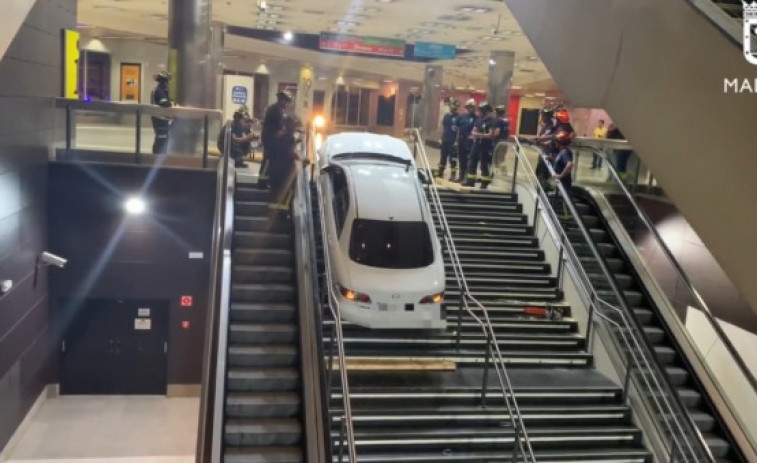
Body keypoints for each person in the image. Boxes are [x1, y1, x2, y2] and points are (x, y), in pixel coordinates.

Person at [268, 114, 304, 216]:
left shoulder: (278, 135)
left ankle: (273, 214)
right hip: (284, 171)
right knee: (285, 193)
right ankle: (282, 215)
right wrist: (302, 159)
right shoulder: (290, 138)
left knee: (275, 193)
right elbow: (291, 152)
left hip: (274, 168)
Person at [259, 90, 293, 189]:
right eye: (286, 102)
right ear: (281, 100)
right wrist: (286, 129)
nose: (287, 104)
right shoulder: (275, 110)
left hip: (272, 138)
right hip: (270, 139)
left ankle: (267, 181)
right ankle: (262, 182)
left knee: (270, 160)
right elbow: (281, 126)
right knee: (268, 160)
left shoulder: (277, 109)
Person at [465, 102, 499, 189]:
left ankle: (485, 182)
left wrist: (479, 135)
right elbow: (473, 131)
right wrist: (480, 134)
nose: (478, 112)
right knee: (472, 161)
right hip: (476, 144)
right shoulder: (478, 120)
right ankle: (470, 181)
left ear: (485, 111)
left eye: (480, 111)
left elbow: (491, 134)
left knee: (483, 164)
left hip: (485, 145)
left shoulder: (492, 121)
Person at [454, 99, 477, 183]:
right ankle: (461, 176)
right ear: (467, 107)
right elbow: (457, 129)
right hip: (461, 141)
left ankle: (467, 178)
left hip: (470, 142)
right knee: (461, 159)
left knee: (469, 161)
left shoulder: (476, 118)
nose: (472, 109)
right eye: (470, 107)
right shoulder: (461, 117)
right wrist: (456, 141)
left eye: (473, 107)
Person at [150, 71, 173, 154]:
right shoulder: (160, 91)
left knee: (161, 138)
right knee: (161, 139)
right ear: (165, 81)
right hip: (160, 120)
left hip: (159, 119)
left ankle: (158, 155)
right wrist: (171, 104)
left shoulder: (159, 89)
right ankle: (158, 155)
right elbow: (165, 103)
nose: (169, 83)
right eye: (168, 81)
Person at [437, 99, 460, 180]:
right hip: (445, 140)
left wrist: (457, 141)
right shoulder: (446, 116)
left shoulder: (459, 117)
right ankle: (440, 172)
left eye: (456, 107)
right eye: (453, 106)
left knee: (453, 159)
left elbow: (458, 131)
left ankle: (453, 175)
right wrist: (441, 138)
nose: (455, 108)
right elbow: (444, 128)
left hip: (453, 141)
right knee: (443, 157)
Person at [493, 104, 510, 175]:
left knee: (498, 157)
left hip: (499, 141)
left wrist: (491, 136)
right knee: (502, 157)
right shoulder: (506, 121)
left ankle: (503, 172)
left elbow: (497, 132)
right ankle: (501, 171)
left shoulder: (499, 121)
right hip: (505, 141)